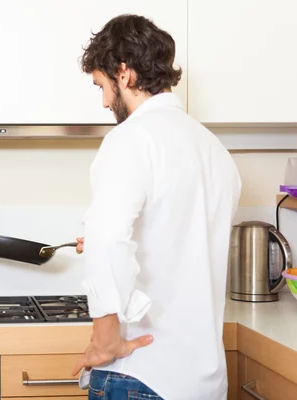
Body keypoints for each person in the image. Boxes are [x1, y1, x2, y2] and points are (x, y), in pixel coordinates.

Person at [71, 14, 242, 400]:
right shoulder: (216, 151)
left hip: (142, 373)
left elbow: (108, 238)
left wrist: (105, 340)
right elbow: (180, 241)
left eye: (102, 85)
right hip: (204, 382)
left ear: (124, 73)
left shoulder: (130, 139)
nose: (103, 101)